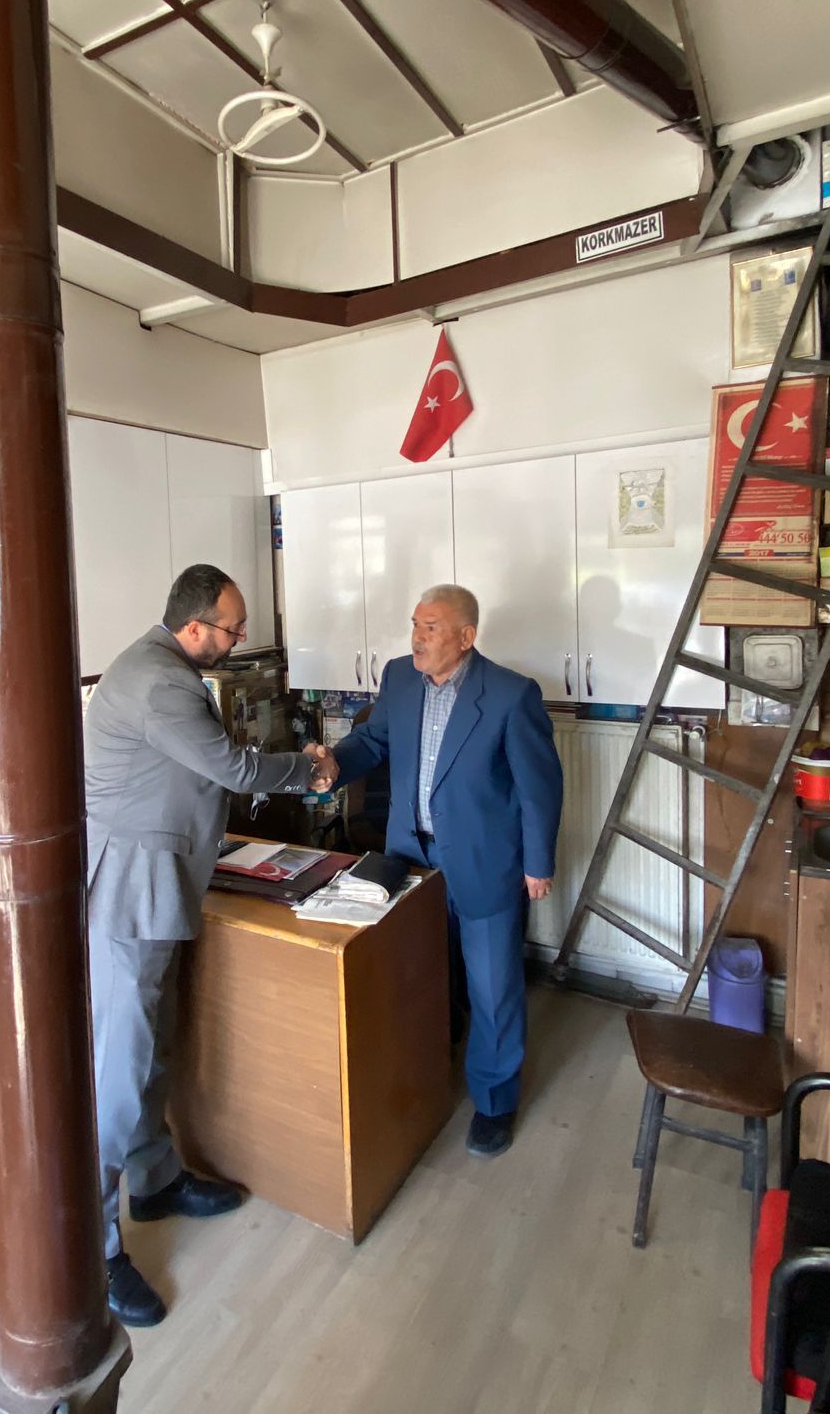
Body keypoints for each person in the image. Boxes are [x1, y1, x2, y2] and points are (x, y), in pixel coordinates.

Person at [83, 564, 336, 1329]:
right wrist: (308, 771)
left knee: (154, 1047)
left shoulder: (163, 667)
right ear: (193, 626)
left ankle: (156, 1181)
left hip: (156, 882)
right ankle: (92, 1251)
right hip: (129, 892)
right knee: (117, 1075)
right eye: (231, 627)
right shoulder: (161, 682)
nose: (238, 638)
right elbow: (229, 765)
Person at [328, 584, 563, 1158]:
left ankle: (494, 1102)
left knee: (493, 985)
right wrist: (332, 764)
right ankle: (433, 1065)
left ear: (465, 637)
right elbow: (372, 741)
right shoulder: (399, 678)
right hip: (411, 858)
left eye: (430, 628)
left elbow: (538, 788)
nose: (417, 638)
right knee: (424, 972)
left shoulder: (510, 694)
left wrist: (537, 862)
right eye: (415, 624)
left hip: (484, 859)